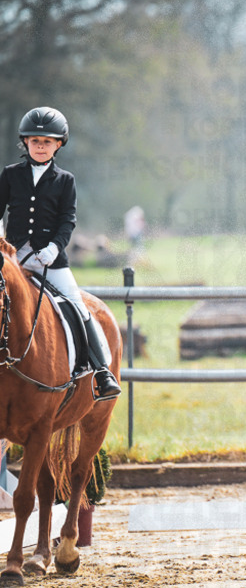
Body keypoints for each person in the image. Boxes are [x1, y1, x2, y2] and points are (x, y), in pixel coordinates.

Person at [0, 106, 121, 400]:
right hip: (13, 259)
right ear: (25, 142)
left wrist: (54, 248)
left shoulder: (65, 180)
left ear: (58, 144)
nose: (41, 147)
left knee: (78, 306)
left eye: (47, 142)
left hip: (50, 261)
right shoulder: (10, 174)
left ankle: (101, 371)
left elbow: (67, 220)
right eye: (35, 141)